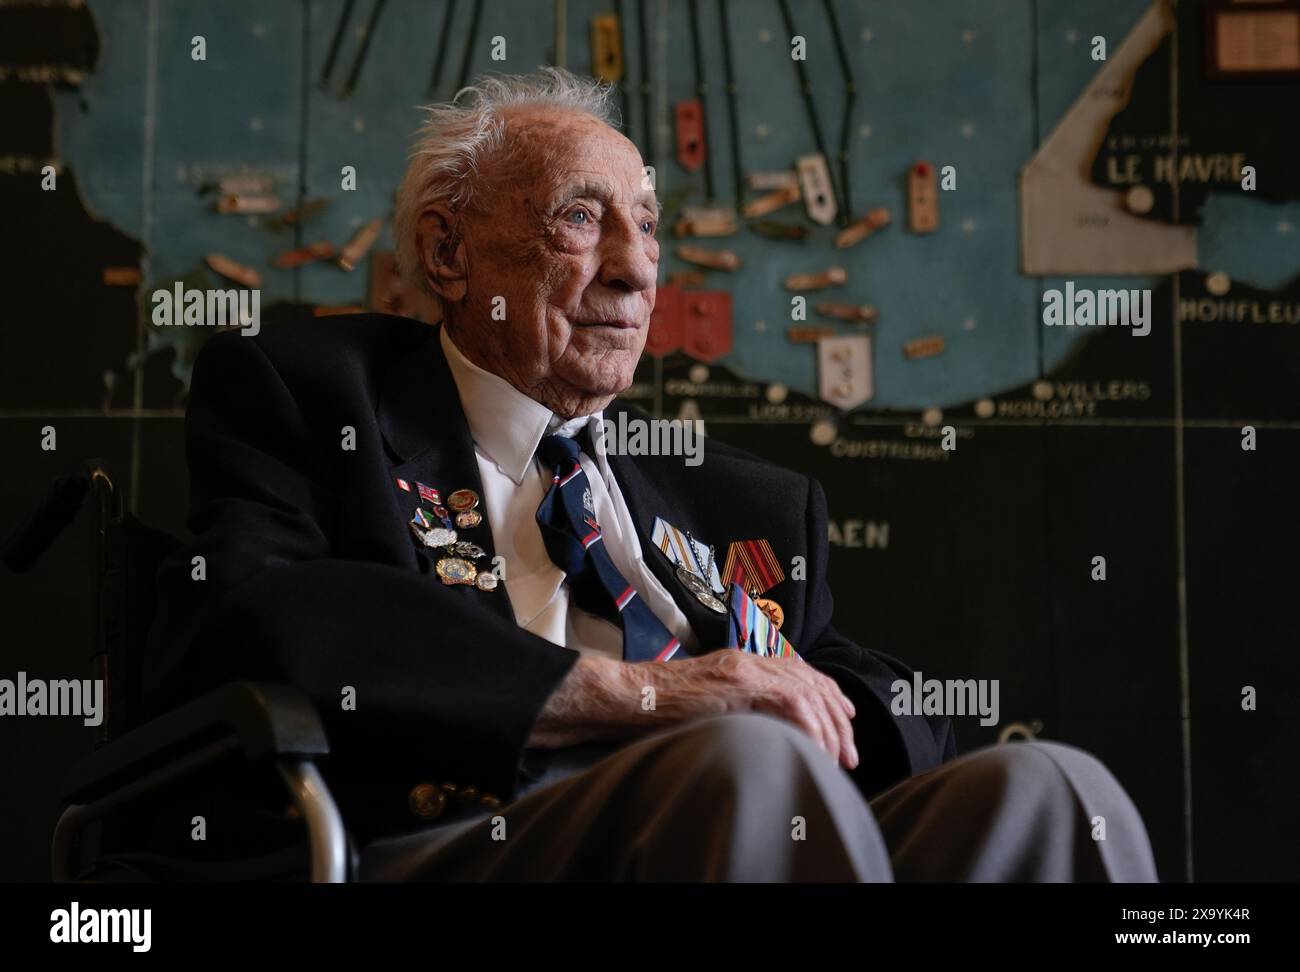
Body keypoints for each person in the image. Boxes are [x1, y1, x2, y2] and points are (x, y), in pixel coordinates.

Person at [146, 68, 1157, 881]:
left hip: (738, 823)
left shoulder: (741, 504)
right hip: (456, 838)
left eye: (649, 223)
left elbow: (862, 687)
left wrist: (802, 701)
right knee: (743, 763)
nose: (637, 269)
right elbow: (271, 614)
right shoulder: (316, 397)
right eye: (583, 219)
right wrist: (636, 694)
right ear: (447, 254)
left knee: (1060, 794)